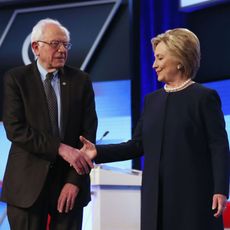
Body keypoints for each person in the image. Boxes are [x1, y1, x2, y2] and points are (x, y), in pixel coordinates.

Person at [79, 28, 230, 230]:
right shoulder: (152, 101)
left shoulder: (204, 98)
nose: (154, 65)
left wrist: (220, 189)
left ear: (179, 59)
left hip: (192, 200)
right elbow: (137, 145)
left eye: (159, 58)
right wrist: (98, 151)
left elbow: (218, 146)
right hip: (155, 201)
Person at [1, 18, 97, 230]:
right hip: (26, 187)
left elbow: (88, 135)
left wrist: (74, 181)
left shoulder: (81, 81)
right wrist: (60, 148)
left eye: (65, 44)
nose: (62, 49)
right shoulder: (16, 79)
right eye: (55, 44)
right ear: (36, 47)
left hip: (68, 187)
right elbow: (16, 130)